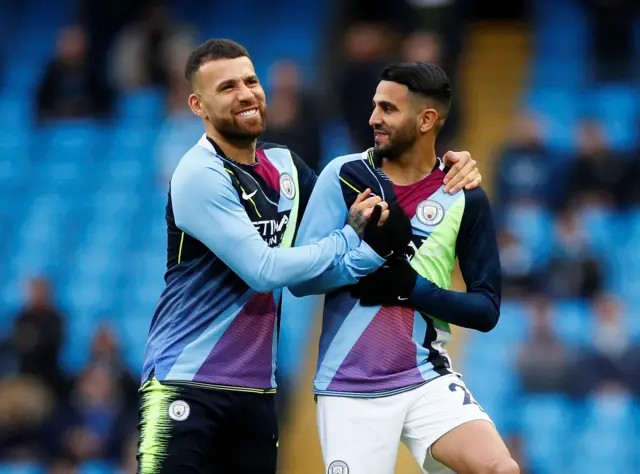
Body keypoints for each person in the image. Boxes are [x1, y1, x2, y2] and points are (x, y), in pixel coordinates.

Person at [137, 39, 482, 474]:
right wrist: (348, 238)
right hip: (184, 383)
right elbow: (264, 270)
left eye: (250, 80)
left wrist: (446, 168)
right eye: (226, 87)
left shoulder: (286, 168)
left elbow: (375, 184)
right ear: (197, 105)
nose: (245, 93)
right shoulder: (198, 173)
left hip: (257, 390)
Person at [291, 62, 518, 474]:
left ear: (427, 119)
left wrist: (410, 288)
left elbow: (486, 310)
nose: (374, 117)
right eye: (376, 106)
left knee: (499, 469)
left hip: (425, 374)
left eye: (389, 109)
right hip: (350, 385)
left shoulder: (462, 194)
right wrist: (358, 257)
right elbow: (300, 282)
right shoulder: (344, 175)